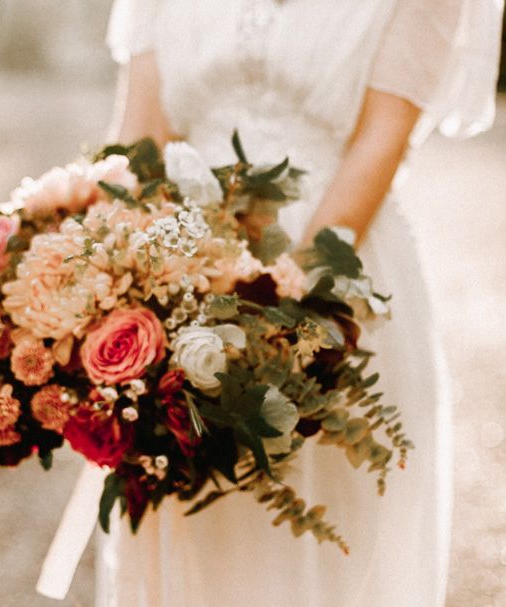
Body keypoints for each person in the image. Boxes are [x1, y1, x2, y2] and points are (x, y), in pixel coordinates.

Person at [37, 1, 504, 605]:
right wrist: (100, 277)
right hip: (176, 274)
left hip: (335, 276)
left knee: (323, 549)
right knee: (191, 541)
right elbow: (139, 136)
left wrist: (278, 319)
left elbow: (382, 141)